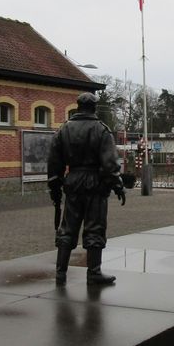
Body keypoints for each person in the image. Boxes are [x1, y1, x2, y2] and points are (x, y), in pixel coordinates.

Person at [48, 92, 126, 285]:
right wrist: (117, 184)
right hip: (94, 183)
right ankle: (93, 272)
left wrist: (55, 186)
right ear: (94, 107)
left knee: (67, 227)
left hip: (72, 181)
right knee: (94, 227)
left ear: (78, 106)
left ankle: (60, 272)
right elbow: (110, 163)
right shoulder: (101, 130)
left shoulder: (63, 129)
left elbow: (54, 161)